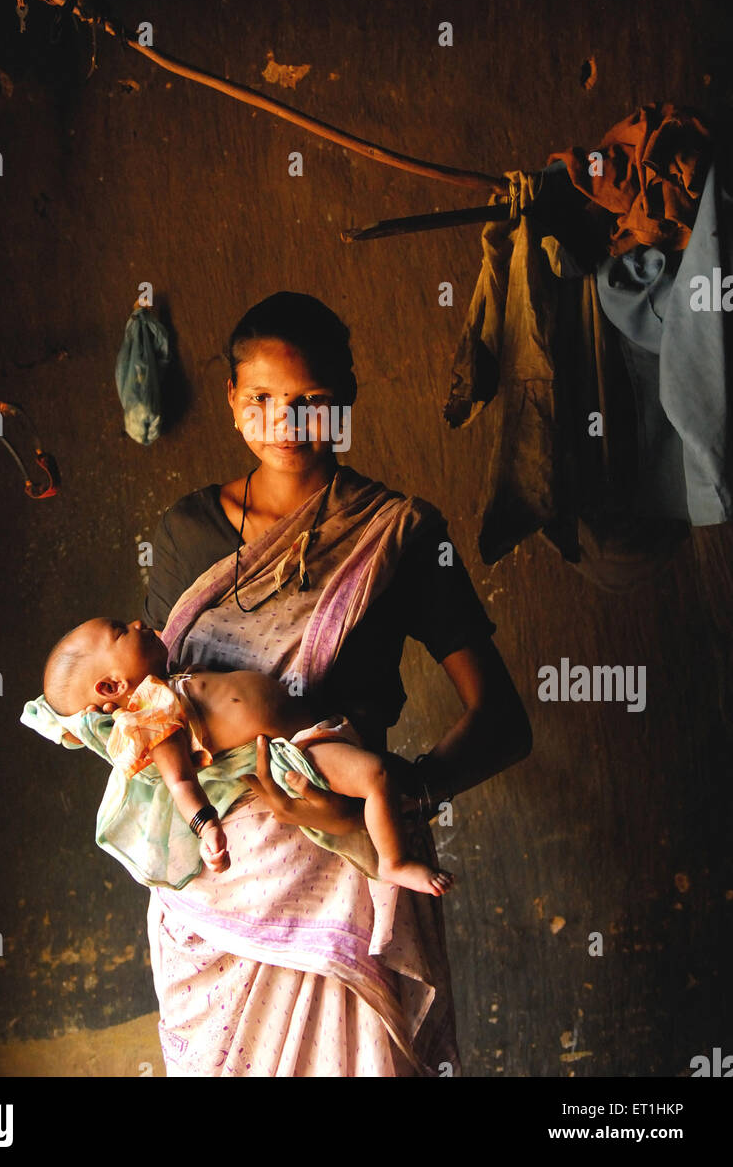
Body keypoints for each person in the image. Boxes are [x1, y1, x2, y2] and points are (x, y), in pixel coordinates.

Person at [142, 291, 532, 1077]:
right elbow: (151, 712)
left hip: (343, 877)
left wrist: (390, 796)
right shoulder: (183, 535)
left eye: (312, 402)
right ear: (230, 402)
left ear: (347, 398)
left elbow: (501, 722)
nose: (286, 424)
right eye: (262, 400)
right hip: (210, 891)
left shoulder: (400, 535)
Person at [32, 615, 457, 894]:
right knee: (378, 777)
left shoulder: (178, 677)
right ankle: (394, 862)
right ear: (110, 688)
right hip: (293, 756)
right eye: (120, 631)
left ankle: (398, 836)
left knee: (396, 782)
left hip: (315, 730)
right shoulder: (151, 718)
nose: (137, 621)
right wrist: (206, 827)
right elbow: (181, 781)